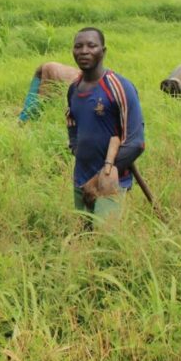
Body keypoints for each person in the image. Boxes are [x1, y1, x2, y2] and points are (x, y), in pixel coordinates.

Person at [66, 27, 145, 225]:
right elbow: (72, 122)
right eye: (78, 46)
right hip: (81, 179)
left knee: (105, 240)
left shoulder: (119, 87)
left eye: (91, 45)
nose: (84, 51)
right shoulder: (74, 89)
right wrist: (75, 147)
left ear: (103, 50)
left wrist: (100, 177)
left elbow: (136, 143)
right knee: (84, 235)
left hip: (111, 181)